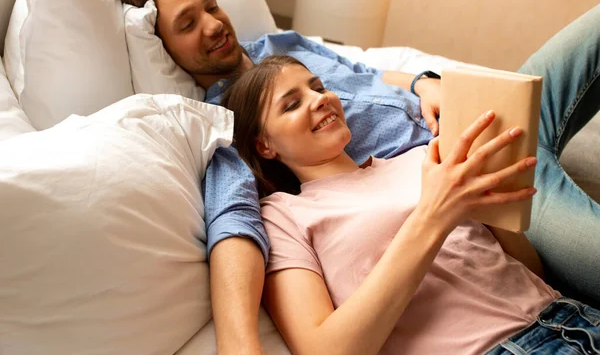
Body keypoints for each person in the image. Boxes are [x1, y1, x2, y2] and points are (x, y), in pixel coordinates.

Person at [111, 0, 600, 352]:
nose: (213, 24)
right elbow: (234, 222)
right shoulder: (227, 123)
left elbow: (362, 69)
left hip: (473, 129)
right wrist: (239, 343)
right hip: (466, 176)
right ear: (164, 46)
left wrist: (422, 82)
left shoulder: (286, 45)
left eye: (210, 6)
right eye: (188, 23)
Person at [222, 54, 600, 355]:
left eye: (318, 87)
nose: (320, 99)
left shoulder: (423, 157)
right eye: (291, 104)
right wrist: (434, 217)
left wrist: (487, 203)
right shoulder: (282, 216)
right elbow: (327, 349)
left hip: (574, 314)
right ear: (264, 146)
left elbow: (529, 270)